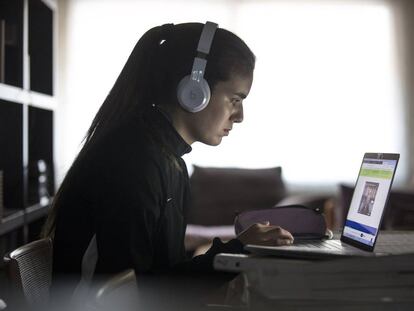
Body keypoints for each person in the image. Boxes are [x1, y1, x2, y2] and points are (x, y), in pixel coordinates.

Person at [42, 22, 294, 299]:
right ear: (195, 90)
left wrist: (236, 254)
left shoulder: (167, 159)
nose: (240, 116)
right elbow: (136, 291)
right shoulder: (134, 161)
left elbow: (162, 276)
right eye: (235, 99)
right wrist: (235, 252)